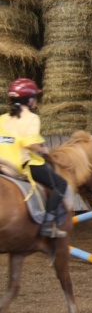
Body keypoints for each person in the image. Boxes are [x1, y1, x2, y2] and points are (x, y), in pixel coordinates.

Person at [0, 78, 68, 238]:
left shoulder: (2, 118)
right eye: (35, 98)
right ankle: (47, 224)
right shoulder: (32, 118)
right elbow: (29, 143)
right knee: (60, 184)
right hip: (21, 164)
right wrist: (43, 149)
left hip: (2, 163)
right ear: (29, 100)